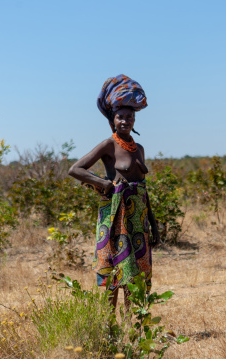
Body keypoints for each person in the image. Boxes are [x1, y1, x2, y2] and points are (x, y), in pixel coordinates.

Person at [68, 74, 160, 310]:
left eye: (130, 117)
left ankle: (132, 329)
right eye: (120, 117)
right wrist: (103, 184)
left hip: (138, 220)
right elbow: (76, 169)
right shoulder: (109, 144)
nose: (125, 121)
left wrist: (154, 224)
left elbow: (142, 187)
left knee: (135, 275)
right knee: (113, 273)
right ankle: (108, 329)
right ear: (113, 119)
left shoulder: (139, 148)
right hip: (115, 218)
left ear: (134, 120)